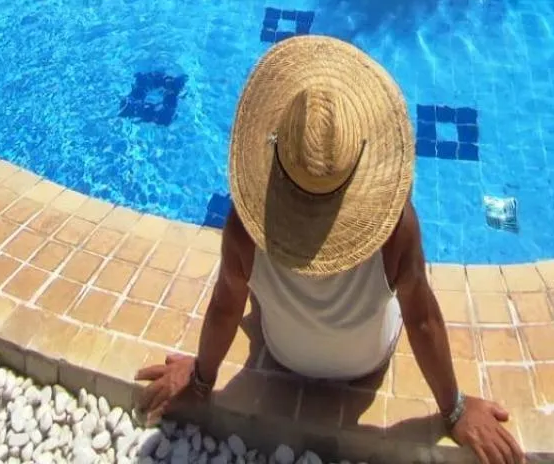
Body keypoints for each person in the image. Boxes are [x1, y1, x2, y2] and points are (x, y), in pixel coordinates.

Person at [135, 36, 523, 464]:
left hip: (285, 354)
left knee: (249, 295)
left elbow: (226, 306)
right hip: (366, 360)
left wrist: (200, 380)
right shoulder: (396, 229)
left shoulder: (245, 226)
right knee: (408, 288)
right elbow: (422, 320)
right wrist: (455, 410)